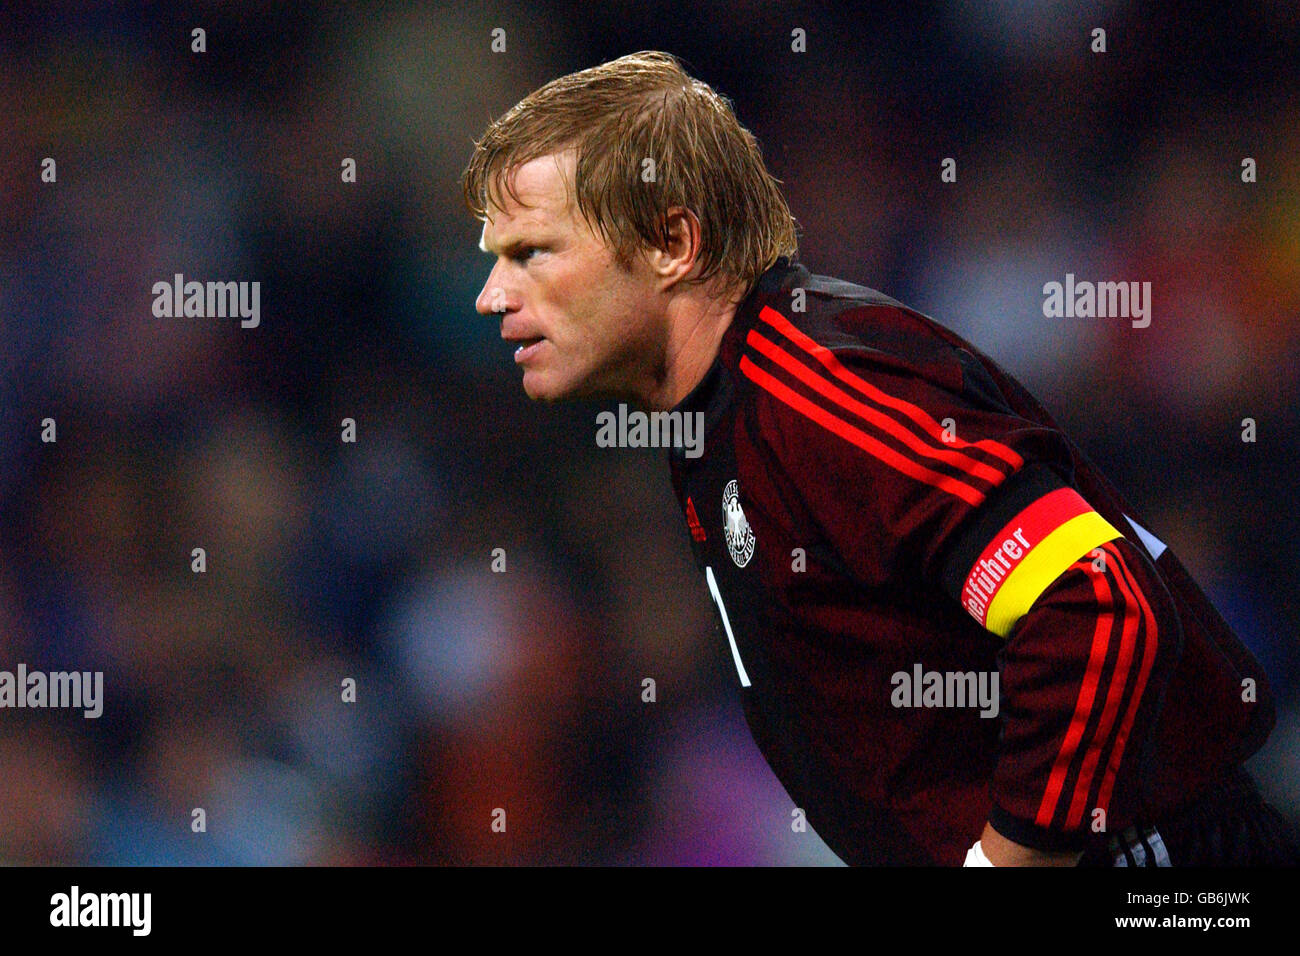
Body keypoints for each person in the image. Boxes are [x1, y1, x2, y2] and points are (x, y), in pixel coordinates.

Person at [460, 50, 1299, 866]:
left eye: (532, 252)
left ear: (674, 242)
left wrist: (1007, 863)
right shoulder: (723, 408)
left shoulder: (818, 388)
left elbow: (1098, 606)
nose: (492, 295)